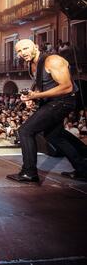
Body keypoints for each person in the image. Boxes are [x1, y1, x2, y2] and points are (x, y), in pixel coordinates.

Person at [6, 38, 87, 183]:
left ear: (35, 47)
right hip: (51, 102)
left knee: (25, 131)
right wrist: (31, 98)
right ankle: (83, 169)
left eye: (25, 48)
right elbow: (41, 85)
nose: (22, 53)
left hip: (63, 101)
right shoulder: (31, 64)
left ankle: (29, 172)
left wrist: (37, 95)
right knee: (54, 136)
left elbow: (67, 86)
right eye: (18, 51)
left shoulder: (53, 60)